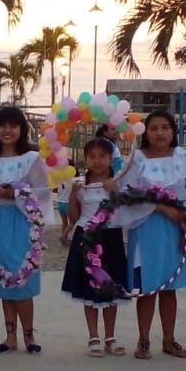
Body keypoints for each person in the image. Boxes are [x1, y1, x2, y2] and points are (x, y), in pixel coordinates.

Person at [115, 110, 186, 360]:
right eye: (154, 128)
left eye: (165, 127)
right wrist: (161, 208)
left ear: (173, 131)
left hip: (176, 228)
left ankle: (169, 339)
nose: (159, 133)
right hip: (146, 228)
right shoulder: (137, 158)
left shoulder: (182, 156)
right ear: (145, 132)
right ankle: (143, 339)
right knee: (148, 286)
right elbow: (126, 193)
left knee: (169, 288)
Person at [0, 106, 51, 354]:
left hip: (21, 222)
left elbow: (42, 192)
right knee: (4, 278)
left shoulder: (30, 158)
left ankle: (29, 335)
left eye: (13, 126)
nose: (7, 131)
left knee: (22, 279)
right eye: (2, 125)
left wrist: (17, 193)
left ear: (21, 130)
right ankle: (10, 337)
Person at [60, 136, 128, 357]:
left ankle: (111, 337)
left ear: (110, 158)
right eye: (92, 156)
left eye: (102, 156)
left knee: (111, 287)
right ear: (85, 159)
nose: (97, 161)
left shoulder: (118, 182)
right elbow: (74, 217)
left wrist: (114, 191)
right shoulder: (80, 185)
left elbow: (125, 211)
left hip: (111, 237)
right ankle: (93, 336)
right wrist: (73, 194)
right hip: (86, 237)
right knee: (88, 288)